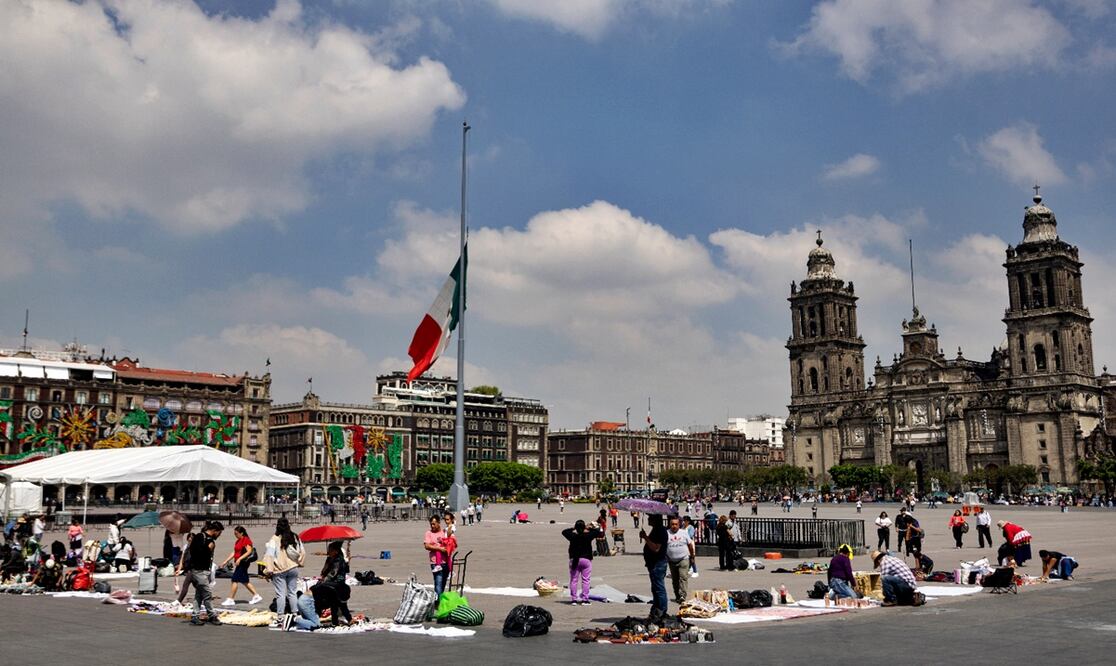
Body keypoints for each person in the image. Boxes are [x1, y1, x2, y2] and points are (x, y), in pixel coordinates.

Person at [263, 517, 304, 618]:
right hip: (293, 568)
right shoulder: (294, 537)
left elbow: (269, 556)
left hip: (280, 570)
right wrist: (299, 562)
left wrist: (268, 570)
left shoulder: (274, 539)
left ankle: (281, 615)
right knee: (292, 592)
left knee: (280, 594)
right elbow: (302, 551)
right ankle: (295, 613)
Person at [188, 521, 224, 626]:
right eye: (219, 533)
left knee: (199, 594)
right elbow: (195, 551)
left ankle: (195, 616)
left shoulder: (210, 539)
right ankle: (212, 615)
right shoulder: (200, 537)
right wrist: (208, 548)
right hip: (198, 570)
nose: (219, 535)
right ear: (214, 531)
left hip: (205, 570)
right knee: (207, 594)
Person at [220, 526, 262, 606]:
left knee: (234, 580)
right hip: (240, 563)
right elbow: (234, 552)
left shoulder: (246, 540)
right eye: (234, 534)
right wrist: (225, 561)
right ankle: (256, 596)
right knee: (244, 580)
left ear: (241, 533)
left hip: (243, 563)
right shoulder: (238, 541)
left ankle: (230, 599)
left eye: (236, 533)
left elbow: (249, 551)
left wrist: (239, 559)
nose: (235, 535)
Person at [562, 519, 600, 605]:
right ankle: (585, 599)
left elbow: (564, 531)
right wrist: (588, 528)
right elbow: (597, 532)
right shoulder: (588, 535)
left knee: (574, 580)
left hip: (574, 559)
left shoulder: (572, 536)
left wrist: (574, 528)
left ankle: (574, 599)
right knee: (586, 580)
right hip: (586, 559)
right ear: (584, 527)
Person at [640, 514, 668, 618]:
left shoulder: (660, 531)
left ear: (655, 519)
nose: (648, 519)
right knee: (655, 587)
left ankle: (662, 610)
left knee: (659, 588)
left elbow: (656, 548)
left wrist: (646, 537)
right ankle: (656, 608)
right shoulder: (656, 529)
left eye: (650, 517)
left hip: (658, 563)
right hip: (653, 564)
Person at [665, 515, 695, 604]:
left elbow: (690, 545)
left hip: (683, 559)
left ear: (679, 525)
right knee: (675, 580)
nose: (674, 526)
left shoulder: (684, 533)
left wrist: (692, 556)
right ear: (670, 525)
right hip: (671, 560)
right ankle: (677, 595)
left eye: (676, 524)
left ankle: (683, 595)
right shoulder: (667, 533)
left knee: (683, 578)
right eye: (672, 524)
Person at [423, 516, 450, 596]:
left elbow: (450, 542)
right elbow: (427, 546)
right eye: (431, 524)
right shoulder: (429, 533)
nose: (432, 526)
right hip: (435, 563)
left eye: (434, 524)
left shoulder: (444, 532)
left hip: (446, 562)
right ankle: (437, 603)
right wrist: (438, 548)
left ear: (439, 523)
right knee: (438, 584)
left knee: (443, 584)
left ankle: (439, 602)